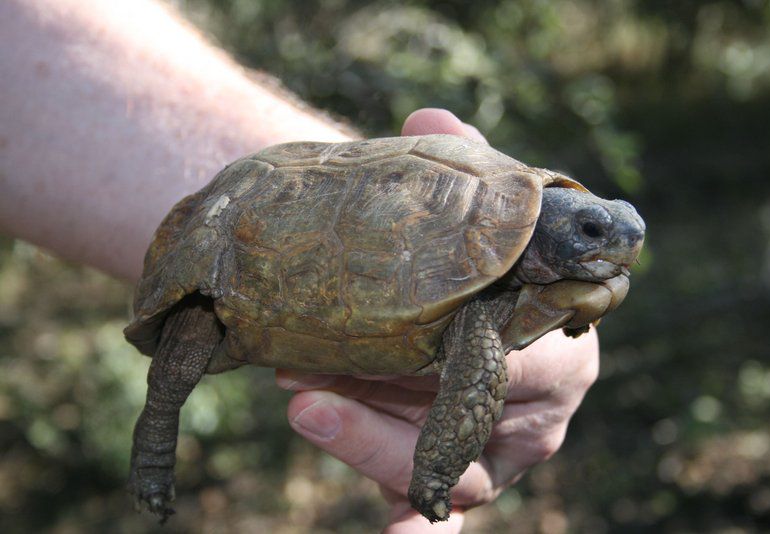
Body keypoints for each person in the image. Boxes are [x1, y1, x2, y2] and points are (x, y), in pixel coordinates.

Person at [0, 1, 599, 532]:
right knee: (176, 370)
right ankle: (152, 453)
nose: (613, 246)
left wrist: (435, 474)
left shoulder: (487, 309)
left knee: (479, 358)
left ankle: (432, 477)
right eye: (591, 230)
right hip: (240, 278)